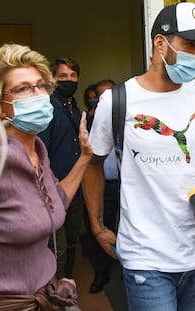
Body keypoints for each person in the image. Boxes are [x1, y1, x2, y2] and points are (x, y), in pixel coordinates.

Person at [82, 2, 195, 310]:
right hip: (145, 258)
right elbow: (94, 165)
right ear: (160, 43)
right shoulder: (117, 101)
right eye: (190, 44)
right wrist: (98, 227)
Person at [0, 43, 92, 309]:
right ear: (1, 106)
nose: (37, 94)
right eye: (23, 88)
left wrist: (85, 157)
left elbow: (56, 201)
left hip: (46, 293)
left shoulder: (39, 150)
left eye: (41, 86)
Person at [38, 56, 84, 279]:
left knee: (73, 242)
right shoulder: (47, 109)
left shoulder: (75, 110)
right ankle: (55, 296)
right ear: (53, 80)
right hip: (54, 191)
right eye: (63, 76)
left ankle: (67, 287)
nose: (69, 80)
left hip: (77, 190)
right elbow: (41, 151)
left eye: (73, 76)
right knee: (58, 248)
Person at [88, 79, 120, 294]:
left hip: (128, 186)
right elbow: (90, 164)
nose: (106, 98)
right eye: (101, 96)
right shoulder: (93, 122)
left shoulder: (129, 118)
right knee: (104, 227)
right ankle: (101, 273)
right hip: (106, 186)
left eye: (110, 93)